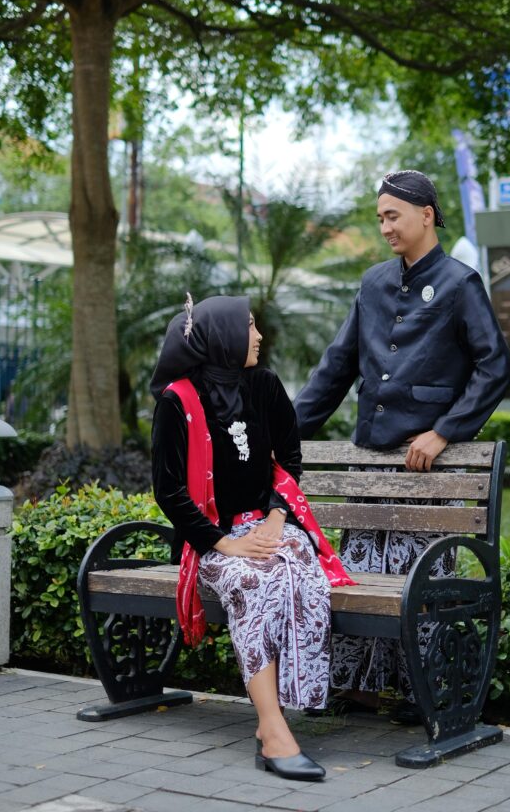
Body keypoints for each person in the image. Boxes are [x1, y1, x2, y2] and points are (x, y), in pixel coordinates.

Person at [294, 169, 510, 721]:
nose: (385, 227)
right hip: (370, 461)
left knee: (420, 581)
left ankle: (424, 692)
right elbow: (335, 369)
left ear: (426, 214)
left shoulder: (461, 283)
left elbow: (495, 366)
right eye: (380, 218)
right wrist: (283, 433)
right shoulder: (372, 284)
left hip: (425, 467)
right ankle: (359, 687)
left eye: (393, 215)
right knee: (360, 569)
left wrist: (446, 430)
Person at [151, 294, 354, 782]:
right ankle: (273, 729)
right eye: (248, 326)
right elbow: (169, 491)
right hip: (213, 538)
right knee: (252, 582)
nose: (258, 336)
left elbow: (289, 458)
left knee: (300, 574)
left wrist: (278, 519)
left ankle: (287, 709)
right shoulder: (178, 401)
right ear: (223, 336)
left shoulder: (264, 386)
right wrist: (225, 544)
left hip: (269, 525)